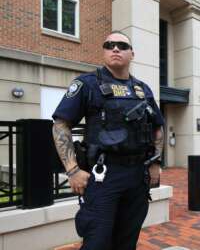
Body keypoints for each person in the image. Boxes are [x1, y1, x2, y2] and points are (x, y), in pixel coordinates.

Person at [52, 31, 164, 250]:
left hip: (137, 176)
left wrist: (155, 163)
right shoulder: (87, 84)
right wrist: (73, 170)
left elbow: (157, 128)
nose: (115, 49)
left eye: (122, 46)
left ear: (132, 54)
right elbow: (60, 125)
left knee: (127, 241)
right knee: (97, 241)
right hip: (104, 175)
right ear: (103, 51)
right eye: (109, 45)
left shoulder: (143, 89)